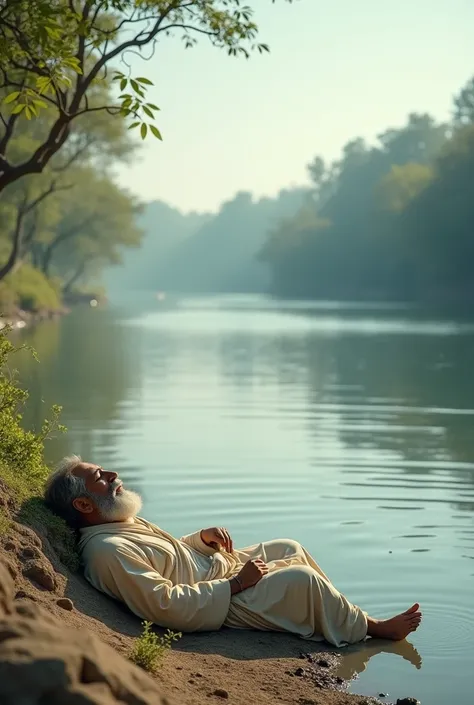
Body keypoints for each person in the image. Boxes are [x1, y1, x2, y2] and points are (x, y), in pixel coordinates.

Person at [44, 456, 422, 647]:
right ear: (83, 506)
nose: (111, 475)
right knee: (301, 580)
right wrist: (238, 585)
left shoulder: (117, 523)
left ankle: (341, 616)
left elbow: (169, 557)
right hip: (219, 600)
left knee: (289, 546)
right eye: (100, 478)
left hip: (216, 574)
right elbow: (164, 605)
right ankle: (371, 629)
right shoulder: (106, 551)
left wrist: (198, 541)